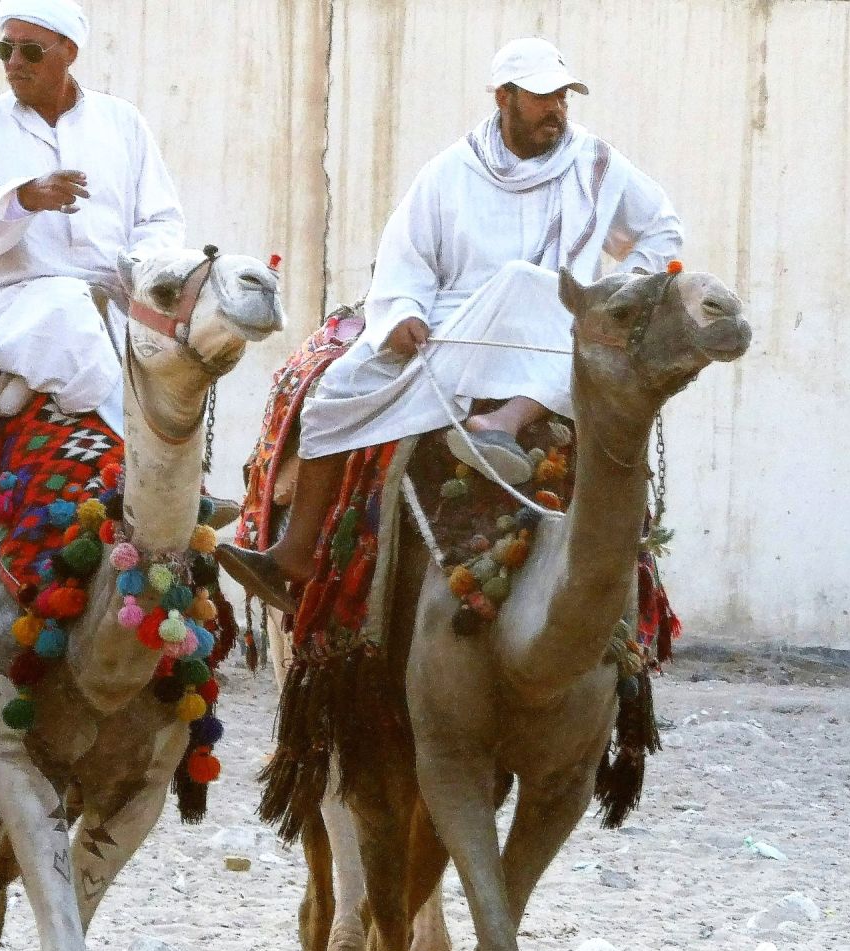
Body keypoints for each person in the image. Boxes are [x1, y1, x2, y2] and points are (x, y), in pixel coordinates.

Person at [219, 36, 682, 613]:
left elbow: (661, 232)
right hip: (458, 324)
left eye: (564, 96)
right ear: (505, 97)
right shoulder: (449, 172)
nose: (557, 110)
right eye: (543, 97)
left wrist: (615, 293)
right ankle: (294, 550)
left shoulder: (597, 164)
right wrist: (406, 313)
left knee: (536, 291)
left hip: (550, 325)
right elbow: (406, 260)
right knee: (335, 393)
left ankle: (505, 422)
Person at [0, 0, 184, 431]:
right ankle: (125, 443)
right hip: (15, 302)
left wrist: (137, 268)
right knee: (68, 308)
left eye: (30, 51)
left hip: (119, 302)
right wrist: (23, 199)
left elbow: (161, 219)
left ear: (69, 51)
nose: (13, 63)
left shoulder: (122, 122)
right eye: (5, 49)